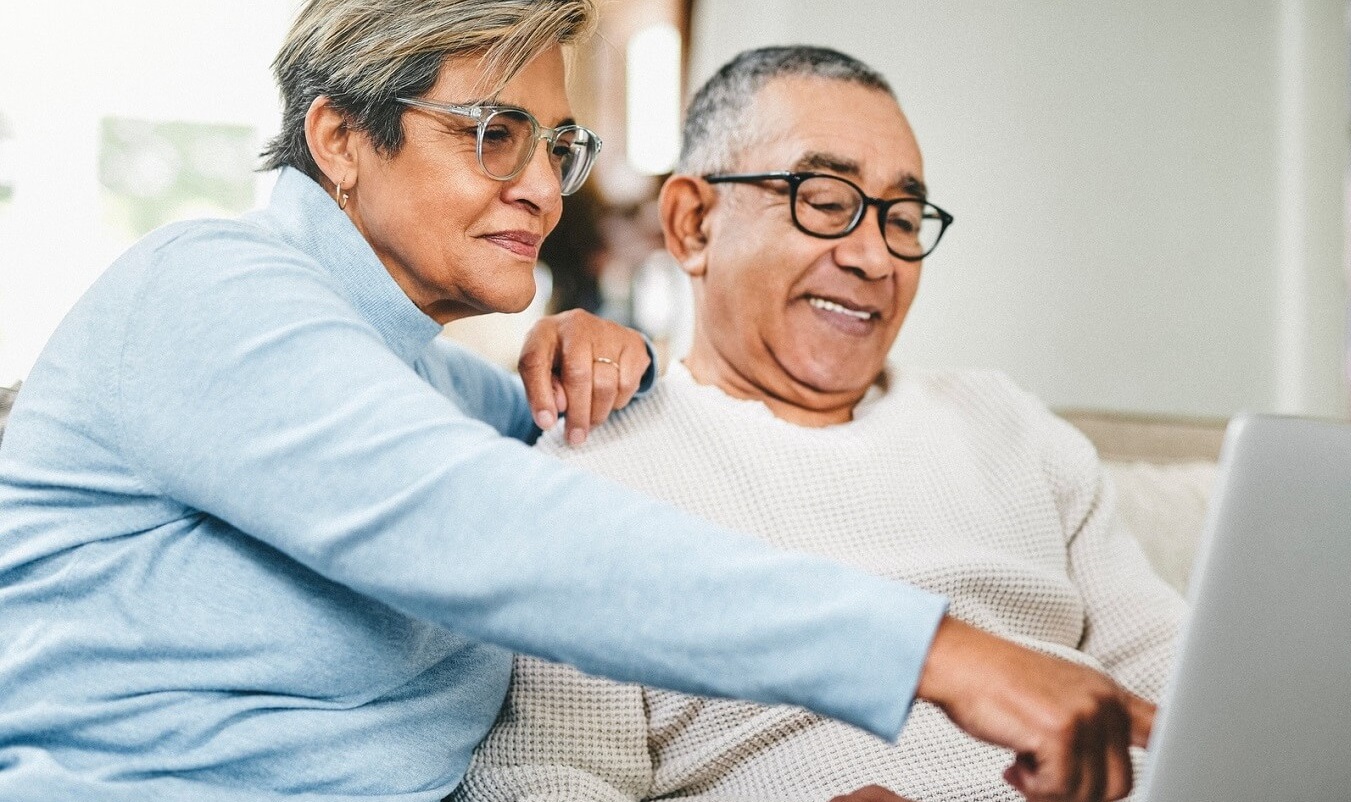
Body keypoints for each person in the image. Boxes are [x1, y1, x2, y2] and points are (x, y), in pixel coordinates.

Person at [0, 2, 1151, 799]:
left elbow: (583, 443)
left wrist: (623, 355)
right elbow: (503, 532)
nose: (546, 187)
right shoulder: (204, 288)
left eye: (559, 143)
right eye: (495, 135)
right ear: (341, 139)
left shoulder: (423, 375)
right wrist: (938, 657)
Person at [454, 46, 1185, 802]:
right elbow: (542, 779)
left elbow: (1181, 685)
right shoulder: (595, 465)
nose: (874, 257)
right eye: (826, 202)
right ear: (693, 223)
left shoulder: (1006, 423)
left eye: (902, 218)